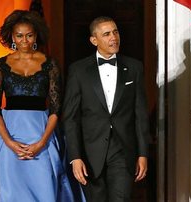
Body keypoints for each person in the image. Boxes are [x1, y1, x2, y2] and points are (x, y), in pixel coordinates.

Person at [0, 10, 78, 202]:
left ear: (36, 35)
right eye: (19, 35)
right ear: (12, 37)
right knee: (10, 192)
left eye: (29, 35)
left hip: (42, 132)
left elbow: (57, 109)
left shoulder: (50, 64)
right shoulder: (0, 65)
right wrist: (8, 142)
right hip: (9, 134)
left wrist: (41, 142)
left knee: (45, 188)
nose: (25, 40)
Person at [62, 16, 150, 202]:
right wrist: (75, 157)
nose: (114, 38)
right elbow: (70, 117)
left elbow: (140, 115)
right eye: (107, 34)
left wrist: (143, 153)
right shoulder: (78, 70)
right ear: (94, 40)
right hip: (90, 154)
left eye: (116, 32)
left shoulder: (134, 68)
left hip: (123, 151)